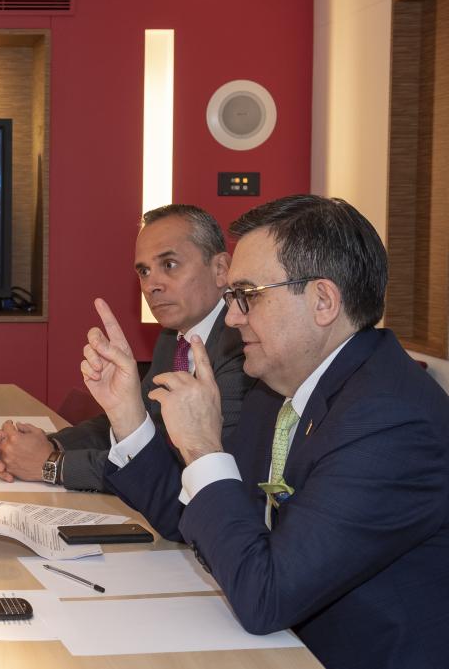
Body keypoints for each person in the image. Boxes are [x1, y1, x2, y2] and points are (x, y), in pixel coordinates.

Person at [87, 194, 449, 669]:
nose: (232, 316)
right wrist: (128, 414)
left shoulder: (392, 423)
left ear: (322, 300)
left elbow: (266, 596)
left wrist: (201, 448)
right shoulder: (278, 389)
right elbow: (198, 520)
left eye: (246, 296)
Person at [0, 204, 254, 491]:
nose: (151, 284)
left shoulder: (242, 346)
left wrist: (54, 465)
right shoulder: (172, 340)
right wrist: (47, 444)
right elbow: (131, 424)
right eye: (144, 271)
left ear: (220, 270)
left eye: (169, 265)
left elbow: (180, 470)